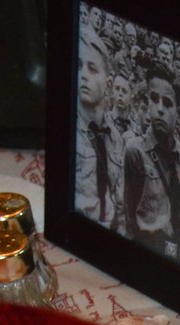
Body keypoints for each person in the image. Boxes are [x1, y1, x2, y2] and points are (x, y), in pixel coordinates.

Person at [122, 59, 180, 269]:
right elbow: (127, 218)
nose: (159, 109)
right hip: (146, 255)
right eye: (154, 100)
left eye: (167, 103)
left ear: (178, 110)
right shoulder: (135, 152)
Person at [74, 25, 121, 231]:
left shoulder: (115, 138)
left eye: (92, 69)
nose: (83, 75)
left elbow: (118, 196)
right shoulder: (71, 131)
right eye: (79, 66)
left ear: (109, 86)